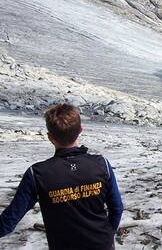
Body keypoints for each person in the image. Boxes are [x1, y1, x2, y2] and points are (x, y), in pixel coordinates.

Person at [0, 104, 123, 250]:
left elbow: (9, 220)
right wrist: (108, 235)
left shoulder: (37, 174)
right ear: (80, 131)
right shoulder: (102, 164)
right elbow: (117, 208)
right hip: (102, 244)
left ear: (50, 137)